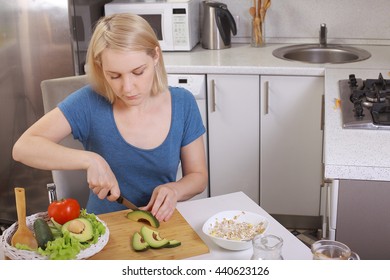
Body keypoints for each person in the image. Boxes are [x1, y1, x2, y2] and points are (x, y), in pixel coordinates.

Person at [12, 13, 208, 222]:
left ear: (155, 56)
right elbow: (23, 147)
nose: (128, 87)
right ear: (100, 67)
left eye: (138, 72)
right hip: (105, 229)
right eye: (114, 76)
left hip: (161, 224)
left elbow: (198, 177)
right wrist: (90, 160)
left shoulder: (183, 103)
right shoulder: (89, 102)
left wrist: (175, 190)